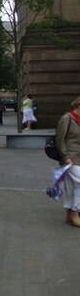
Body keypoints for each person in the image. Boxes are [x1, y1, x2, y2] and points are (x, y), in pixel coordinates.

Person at [55, 97, 80, 227]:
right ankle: (75, 212)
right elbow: (59, 139)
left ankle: (69, 214)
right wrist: (64, 157)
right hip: (70, 158)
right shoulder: (67, 119)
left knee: (72, 186)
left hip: (79, 158)